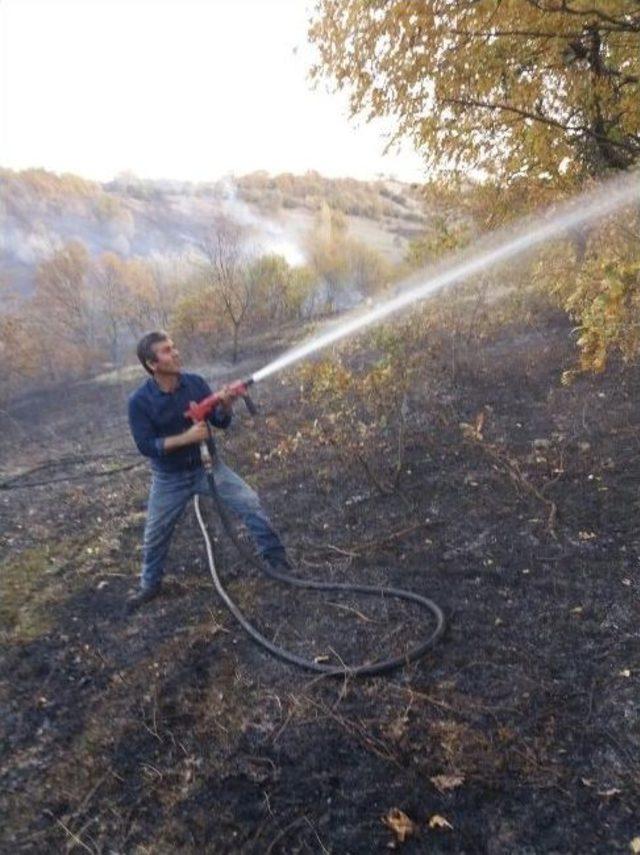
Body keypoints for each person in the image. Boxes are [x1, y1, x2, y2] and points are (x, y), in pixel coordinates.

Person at [126, 330, 290, 612]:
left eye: (174, 347)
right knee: (155, 533)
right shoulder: (139, 402)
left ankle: (278, 562)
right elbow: (145, 445)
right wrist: (186, 438)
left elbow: (220, 421)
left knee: (249, 503)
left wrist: (226, 404)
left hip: (209, 468)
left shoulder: (195, 383)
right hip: (170, 479)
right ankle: (149, 585)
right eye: (167, 350)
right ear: (152, 364)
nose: (175, 353)